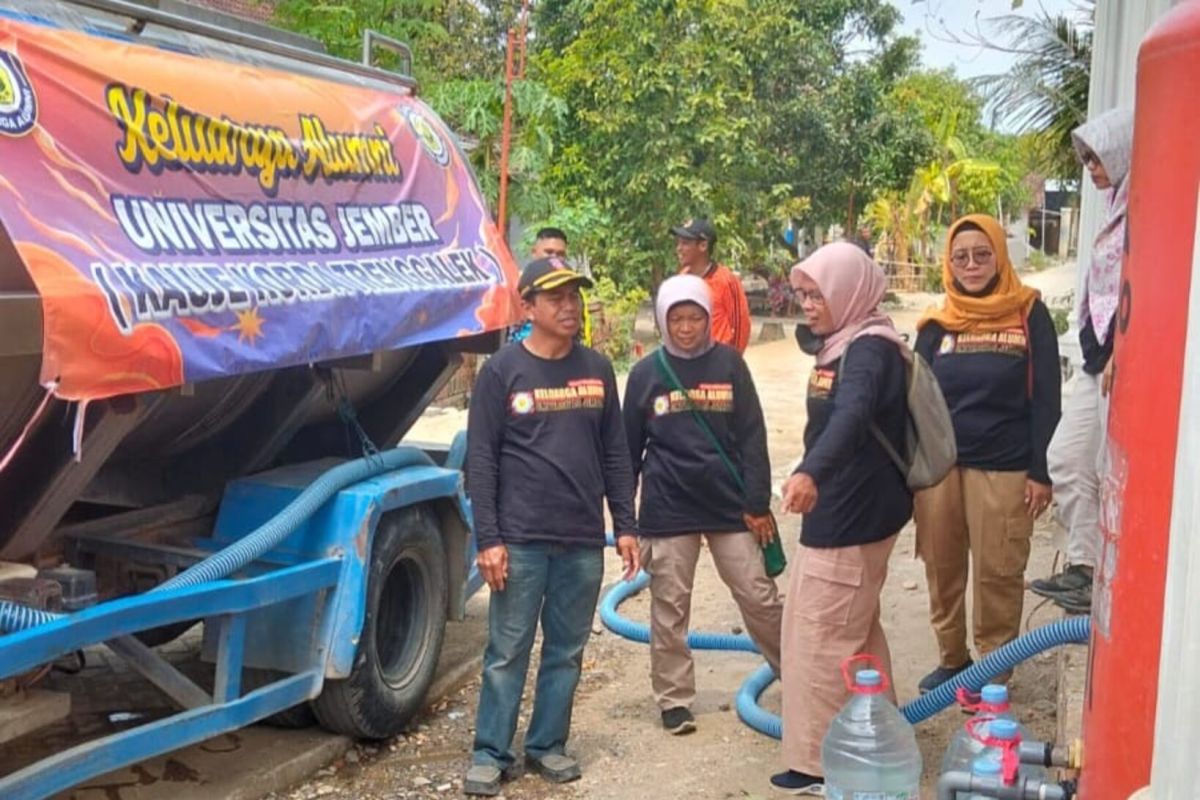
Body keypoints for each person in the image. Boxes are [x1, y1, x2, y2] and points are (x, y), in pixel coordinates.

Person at [464, 256, 640, 796]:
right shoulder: (502, 373)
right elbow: (482, 461)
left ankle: (546, 745)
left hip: (582, 539)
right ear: (528, 307)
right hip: (520, 540)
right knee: (507, 651)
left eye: (575, 296)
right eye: (557, 297)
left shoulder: (597, 369)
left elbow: (616, 452)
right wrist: (488, 540)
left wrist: (626, 524)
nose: (570, 306)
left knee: (565, 649)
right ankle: (491, 751)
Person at [772, 242, 913, 795]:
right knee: (855, 632)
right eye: (803, 294)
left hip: (853, 511)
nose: (808, 304)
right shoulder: (845, 343)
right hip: (846, 508)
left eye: (818, 294)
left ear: (849, 290)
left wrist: (810, 473)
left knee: (819, 636)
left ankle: (817, 763)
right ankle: (881, 732)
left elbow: (853, 417)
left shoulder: (870, 349)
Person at [622, 274, 783, 737]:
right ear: (663, 320)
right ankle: (674, 699)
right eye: (678, 318)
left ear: (708, 318)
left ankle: (798, 675)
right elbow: (628, 451)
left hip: (731, 507)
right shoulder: (646, 374)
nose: (687, 327)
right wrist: (626, 521)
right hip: (669, 507)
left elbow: (753, 435)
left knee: (759, 595)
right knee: (669, 606)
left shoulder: (730, 364)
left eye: (695, 317)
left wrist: (757, 501)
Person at [912, 214, 1062, 693]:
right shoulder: (936, 323)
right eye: (961, 257)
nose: (972, 265)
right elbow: (916, 400)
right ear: (949, 264)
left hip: (1005, 466)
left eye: (982, 254)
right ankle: (952, 659)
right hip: (940, 469)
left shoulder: (1027, 313)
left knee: (999, 570)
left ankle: (994, 668)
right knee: (942, 565)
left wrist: (1041, 471)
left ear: (999, 256)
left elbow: (1047, 400)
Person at [1032, 107, 1134, 614]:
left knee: (1103, 465)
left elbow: (1143, 284)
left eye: (1097, 157)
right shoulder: (1119, 203)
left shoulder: (1147, 204)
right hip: (1097, 355)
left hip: (1121, 357)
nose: (1091, 168)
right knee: (1068, 459)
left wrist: (1124, 346)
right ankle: (1084, 568)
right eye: (1086, 159)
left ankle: (1094, 574)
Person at [672, 217, 752, 353]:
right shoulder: (682, 278)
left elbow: (741, 327)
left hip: (717, 366)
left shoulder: (726, 280)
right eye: (678, 243)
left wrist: (732, 364)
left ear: (703, 246)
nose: (679, 249)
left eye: (685, 243)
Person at [510, 227, 593, 346]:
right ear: (534, 252)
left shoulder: (576, 289)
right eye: (548, 252)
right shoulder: (513, 286)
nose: (554, 258)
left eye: (560, 254)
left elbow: (583, 333)